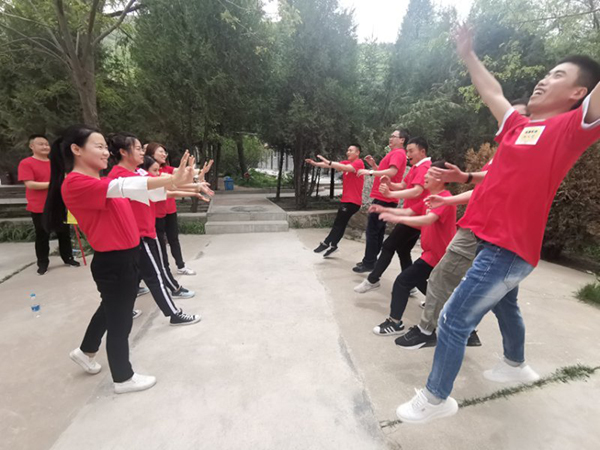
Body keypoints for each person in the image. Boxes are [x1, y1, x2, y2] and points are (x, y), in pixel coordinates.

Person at [396, 24, 600, 424]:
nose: (544, 79)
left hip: (508, 248)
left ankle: (436, 399)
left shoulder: (573, 128)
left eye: (558, 75)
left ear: (579, 93)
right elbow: (492, 92)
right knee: (507, 305)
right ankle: (515, 363)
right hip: (491, 241)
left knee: (453, 318)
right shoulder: (518, 128)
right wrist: (468, 55)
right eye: (547, 73)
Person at [45, 125, 195, 394]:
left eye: (106, 147)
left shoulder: (101, 183)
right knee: (120, 320)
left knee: (110, 309)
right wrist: (171, 179)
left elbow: (143, 192)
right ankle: (123, 378)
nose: (106, 152)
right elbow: (125, 185)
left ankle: (85, 350)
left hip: (125, 256)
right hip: (114, 261)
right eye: (99, 147)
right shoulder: (77, 182)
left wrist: (179, 183)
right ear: (76, 149)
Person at [395, 101, 529, 350]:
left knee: (441, 279)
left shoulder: (524, 153)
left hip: (484, 230)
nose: (510, 121)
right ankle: (483, 342)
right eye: (508, 116)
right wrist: (451, 196)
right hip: (478, 228)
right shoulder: (503, 153)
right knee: (497, 298)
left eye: (519, 117)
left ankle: (427, 331)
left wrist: (460, 181)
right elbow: (483, 189)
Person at [107, 134, 204, 326]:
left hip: (143, 231)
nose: (142, 153)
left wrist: (192, 185)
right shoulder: (120, 177)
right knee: (155, 276)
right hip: (138, 234)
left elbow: (162, 190)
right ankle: (174, 314)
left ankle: (123, 310)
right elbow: (162, 184)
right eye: (138, 149)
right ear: (123, 152)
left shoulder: (138, 173)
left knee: (133, 276)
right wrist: (184, 180)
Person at [368, 161, 456, 336]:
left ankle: (395, 323)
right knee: (423, 283)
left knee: (402, 282)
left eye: (430, 173)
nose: (425, 176)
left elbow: (427, 220)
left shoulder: (445, 199)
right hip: (431, 254)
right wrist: (383, 209)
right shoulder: (429, 198)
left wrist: (397, 219)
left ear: (442, 178)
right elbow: (409, 212)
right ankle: (452, 313)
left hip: (438, 256)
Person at [354, 137, 431, 293]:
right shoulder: (416, 167)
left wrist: (390, 194)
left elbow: (417, 191)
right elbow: (402, 185)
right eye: (407, 151)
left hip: (414, 217)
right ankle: (419, 290)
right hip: (412, 216)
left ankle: (373, 279)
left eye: (411, 151)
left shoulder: (424, 168)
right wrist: (390, 184)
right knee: (403, 250)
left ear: (422, 151)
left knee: (388, 245)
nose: (408, 154)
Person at [18, 134, 78, 275]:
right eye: (41, 144)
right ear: (32, 146)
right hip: (40, 206)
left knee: (64, 233)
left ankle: (68, 258)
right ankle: (43, 263)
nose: (45, 147)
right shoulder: (26, 163)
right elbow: (30, 184)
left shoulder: (55, 163)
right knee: (42, 235)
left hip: (59, 204)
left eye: (46, 144)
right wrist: (54, 184)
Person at [352, 129, 409, 273]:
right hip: (386, 197)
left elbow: (392, 172)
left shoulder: (398, 153)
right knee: (377, 231)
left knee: (372, 231)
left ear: (402, 140)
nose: (390, 138)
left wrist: (370, 172)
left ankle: (369, 262)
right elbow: (385, 173)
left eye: (393, 136)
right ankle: (371, 260)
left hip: (384, 198)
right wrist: (374, 166)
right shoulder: (394, 153)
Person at [305, 145, 365, 257]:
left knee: (338, 223)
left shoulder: (359, 163)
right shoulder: (347, 163)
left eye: (350, 150)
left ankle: (326, 243)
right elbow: (332, 165)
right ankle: (333, 246)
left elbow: (345, 168)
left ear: (357, 153)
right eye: (347, 150)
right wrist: (315, 164)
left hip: (352, 201)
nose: (348, 152)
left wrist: (329, 161)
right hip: (347, 201)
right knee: (341, 224)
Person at [145, 142, 195, 275]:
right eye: (160, 152)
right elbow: (173, 185)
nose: (164, 154)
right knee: (160, 242)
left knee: (173, 239)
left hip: (170, 209)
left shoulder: (167, 169)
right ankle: (164, 268)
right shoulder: (148, 173)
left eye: (165, 152)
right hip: (156, 212)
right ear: (151, 153)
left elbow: (181, 176)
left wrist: (190, 169)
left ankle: (180, 265)